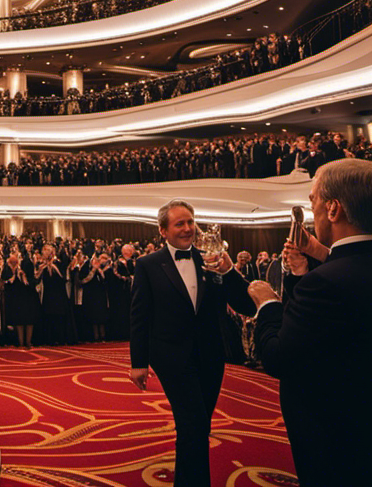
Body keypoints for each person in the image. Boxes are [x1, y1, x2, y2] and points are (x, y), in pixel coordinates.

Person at [247, 159, 372, 486]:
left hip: (336, 433)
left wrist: (268, 304)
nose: (311, 209)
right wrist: (320, 252)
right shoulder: (337, 271)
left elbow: (277, 358)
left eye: (313, 201)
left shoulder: (322, 284)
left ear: (333, 210)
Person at [128, 199, 255, 487]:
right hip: (171, 357)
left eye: (190, 222)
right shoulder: (147, 265)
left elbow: (245, 304)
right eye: (179, 224)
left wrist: (229, 270)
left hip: (210, 355)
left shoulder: (212, 259)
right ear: (163, 231)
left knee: (198, 426)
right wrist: (138, 362)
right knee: (193, 424)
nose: (187, 229)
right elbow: (139, 315)